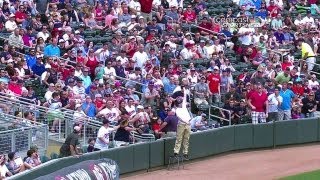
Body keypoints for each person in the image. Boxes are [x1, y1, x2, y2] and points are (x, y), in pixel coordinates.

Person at [173, 95, 192, 160]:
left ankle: (185, 153)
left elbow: (184, 98)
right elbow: (180, 118)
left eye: (181, 102)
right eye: (180, 102)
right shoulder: (177, 110)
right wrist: (186, 122)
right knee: (179, 139)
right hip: (181, 124)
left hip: (188, 124)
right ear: (178, 104)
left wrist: (184, 89)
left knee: (186, 139)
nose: (182, 103)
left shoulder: (184, 107)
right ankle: (176, 153)